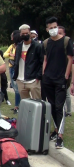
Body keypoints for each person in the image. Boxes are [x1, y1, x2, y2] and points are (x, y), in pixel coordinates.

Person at [43, 17, 73, 149]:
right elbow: (45, 59)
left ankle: (60, 136)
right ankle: (55, 131)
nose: (53, 29)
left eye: (55, 27)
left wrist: (66, 76)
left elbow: (70, 59)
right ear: (47, 29)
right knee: (52, 105)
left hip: (61, 79)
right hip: (48, 78)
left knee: (59, 107)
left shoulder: (66, 41)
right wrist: (44, 74)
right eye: (51, 28)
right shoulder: (45, 43)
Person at [12, 24, 43, 100]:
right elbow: (17, 60)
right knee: (25, 103)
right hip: (20, 80)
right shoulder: (19, 46)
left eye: (27, 33)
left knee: (37, 102)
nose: (25, 35)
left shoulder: (37, 46)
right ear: (20, 34)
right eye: (23, 34)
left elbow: (42, 62)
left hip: (33, 80)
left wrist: (38, 76)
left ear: (30, 33)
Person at [4, 31, 22, 112]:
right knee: (15, 88)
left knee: (18, 88)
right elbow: (5, 54)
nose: (11, 37)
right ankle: (17, 105)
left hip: (17, 68)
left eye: (12, 36)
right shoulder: (12, 46)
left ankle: (17, 106)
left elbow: (18, 56)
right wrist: (11, 55)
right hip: (11, 68)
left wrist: (13, 55)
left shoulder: (21, 46)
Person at [58, 26, 72, 117]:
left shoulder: (67, 45)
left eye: (61, 33)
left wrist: (67, 75)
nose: (59, 35)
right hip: (56, 73)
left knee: (66, 93)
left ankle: (69, 111)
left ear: (64, 34)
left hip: (65, 73)